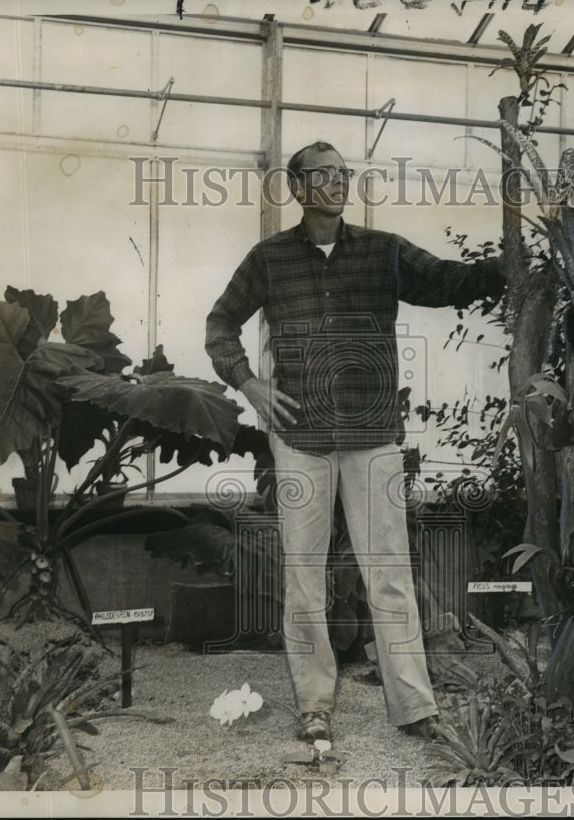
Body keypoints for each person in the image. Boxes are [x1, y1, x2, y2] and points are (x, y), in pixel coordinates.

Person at [206, 141, 504, 743]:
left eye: (344, 173)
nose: (339, 183)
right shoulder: (268, 259)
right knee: (305, 577)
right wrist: (251, 386)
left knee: (389, 571)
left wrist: (508, 265)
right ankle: (315, 703)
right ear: (297, 188)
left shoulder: (383, 251)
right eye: (324, 174)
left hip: (373, 437)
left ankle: (415, 706)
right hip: (301, 438)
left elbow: (449, 282)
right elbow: (219, 324)